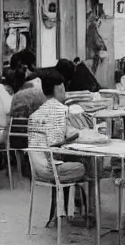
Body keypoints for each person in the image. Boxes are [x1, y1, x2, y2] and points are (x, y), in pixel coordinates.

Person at [28, 69, 87, 223]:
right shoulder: (64, 111)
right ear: (59, 88)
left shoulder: (35, 114)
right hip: (53, 169)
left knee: (70, 160)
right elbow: (70, 138)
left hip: (36, 170)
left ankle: (61, 212)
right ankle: (85, 212)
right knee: (86, 168)